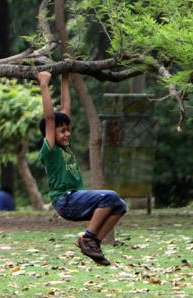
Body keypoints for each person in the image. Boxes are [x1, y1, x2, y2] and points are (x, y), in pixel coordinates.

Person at [37, 71, 127, 266]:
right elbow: (51, 118)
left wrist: (65, 77)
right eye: (63, 131)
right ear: (50, 133)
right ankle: (88, 238)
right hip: (65, 200)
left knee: (119, 206)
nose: (67, 134)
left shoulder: (65, 146)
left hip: (76, 198)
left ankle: (92, 242)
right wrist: (44, 84)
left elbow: (65, 110)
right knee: (110, 196)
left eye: (69, 129)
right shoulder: (50, 149)